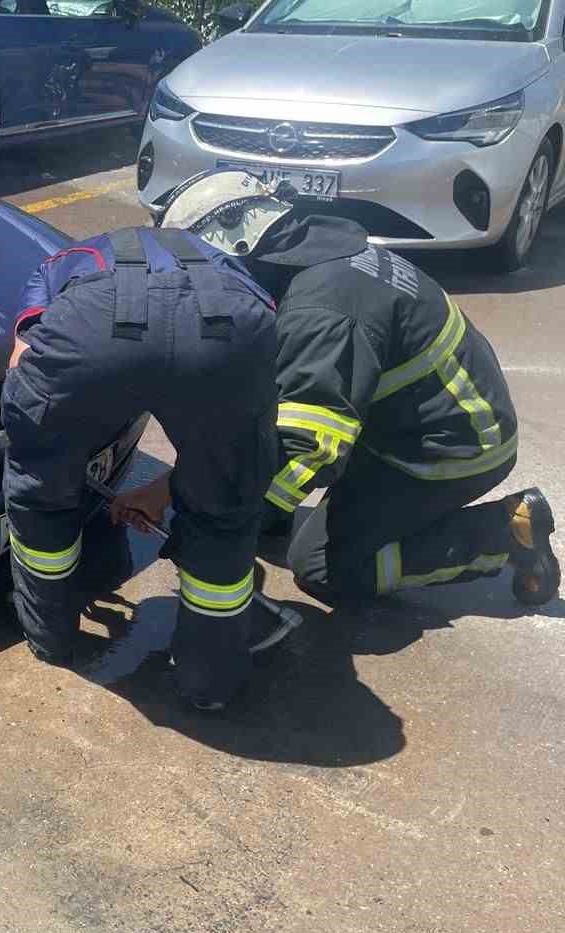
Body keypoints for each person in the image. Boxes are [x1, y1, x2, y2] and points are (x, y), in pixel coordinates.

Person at [153, 170, 557, 608]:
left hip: (451, 449)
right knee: (263, 481)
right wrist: (182, 485)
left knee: (324, 567)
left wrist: (218, 527)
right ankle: (273, 514)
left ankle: (505, 534)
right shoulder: (317, 257)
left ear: (240, 245)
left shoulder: (323, 310)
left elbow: (311, 447)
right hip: (420, 416)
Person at [4, 223, 280, 711]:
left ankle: (50, 640)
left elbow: (21, 361)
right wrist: (173, 486)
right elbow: (251, 354)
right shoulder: (229, 265)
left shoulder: (68, 258)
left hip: (92, 326)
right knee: (225, 514)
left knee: (40, 495)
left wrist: (51, 444)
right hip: (230, 332)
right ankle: (209, 685)